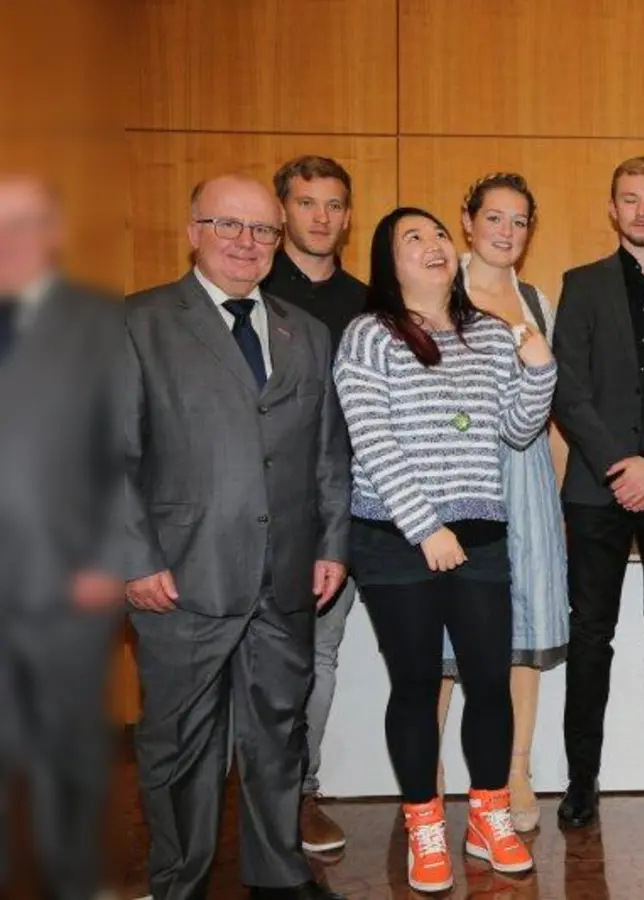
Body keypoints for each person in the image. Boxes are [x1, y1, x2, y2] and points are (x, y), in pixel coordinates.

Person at [121, 174, 350, 900]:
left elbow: (327, 452)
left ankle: (277, 873)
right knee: (179, 746)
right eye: (229, 225)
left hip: (286, 576)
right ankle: (179, 881)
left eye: (263, 231)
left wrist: (331, 545)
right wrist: (134, 559)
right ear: (193, 230)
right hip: (181, 576)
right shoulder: (137, 322)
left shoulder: (304, 331)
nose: (247, 243)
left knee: (278, 734)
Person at [334, 206, 552, 893]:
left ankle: (488, 816)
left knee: (489, 681)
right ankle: (425, 825)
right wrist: (425, 527)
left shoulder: (487, 334)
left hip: (480, 533)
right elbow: (371, 439)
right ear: (389, 262)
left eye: (436, 234)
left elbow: (517, 431)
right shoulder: (368, 335)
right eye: (413, 238)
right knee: (417, 684)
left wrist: (539, 368)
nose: (432, 245)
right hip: (397, 539)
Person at [552, 157, 644, 829]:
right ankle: (581, 782)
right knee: (590, 636)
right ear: (612, 209)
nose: (642, 211)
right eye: (630, 199)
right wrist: (621, 465)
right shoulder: (580, 285)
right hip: (595, 488)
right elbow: (568, 389)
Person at [0, 175, 124, 900]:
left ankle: (73, 880)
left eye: (25, 223)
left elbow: (130, 447)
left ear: (54, 234)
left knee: (68, 753)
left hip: (68, 580)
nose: (9, 240)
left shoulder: (100, 323)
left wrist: (109, 559)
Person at [439, 172, 569, 833]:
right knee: (444, 633)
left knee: (525, 627)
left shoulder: (536, 301)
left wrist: (556, 497)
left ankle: (515, 769)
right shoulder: (436, 291)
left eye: (519, 221)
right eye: (494, 217)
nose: (506, 231)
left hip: (527, 478)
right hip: (457, 476)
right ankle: (428, 777)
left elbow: (549, 410)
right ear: (468, 221)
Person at [261, 155, 367, 855]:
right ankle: (251, 798)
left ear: (348, 216)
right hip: (265, 507)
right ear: (283, 211)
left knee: (318, 657)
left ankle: (300, 792)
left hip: (351, 509)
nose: (321, 217)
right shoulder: (251, 291)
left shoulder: (370, 302)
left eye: (333, 205)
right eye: (307, 203)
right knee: (265, 661)